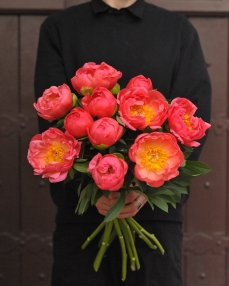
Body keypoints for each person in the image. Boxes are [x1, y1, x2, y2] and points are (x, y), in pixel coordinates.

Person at [34, 0, 211, 285]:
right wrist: (98, 189)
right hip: (82, 217)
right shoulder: (60, 29)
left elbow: (193, 117)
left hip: (155, 219)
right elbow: (51, 128)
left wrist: (144, 190)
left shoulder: (178, 30)